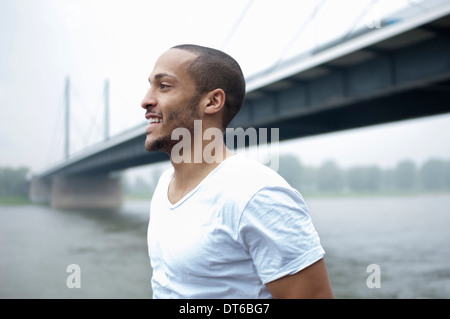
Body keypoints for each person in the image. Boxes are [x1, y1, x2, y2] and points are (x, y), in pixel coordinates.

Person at [141, 44, 334, 299]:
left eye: (163, 86)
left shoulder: (256, 193)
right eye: (150, 86)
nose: (145, 100)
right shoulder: (165, 185)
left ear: (212, 101)